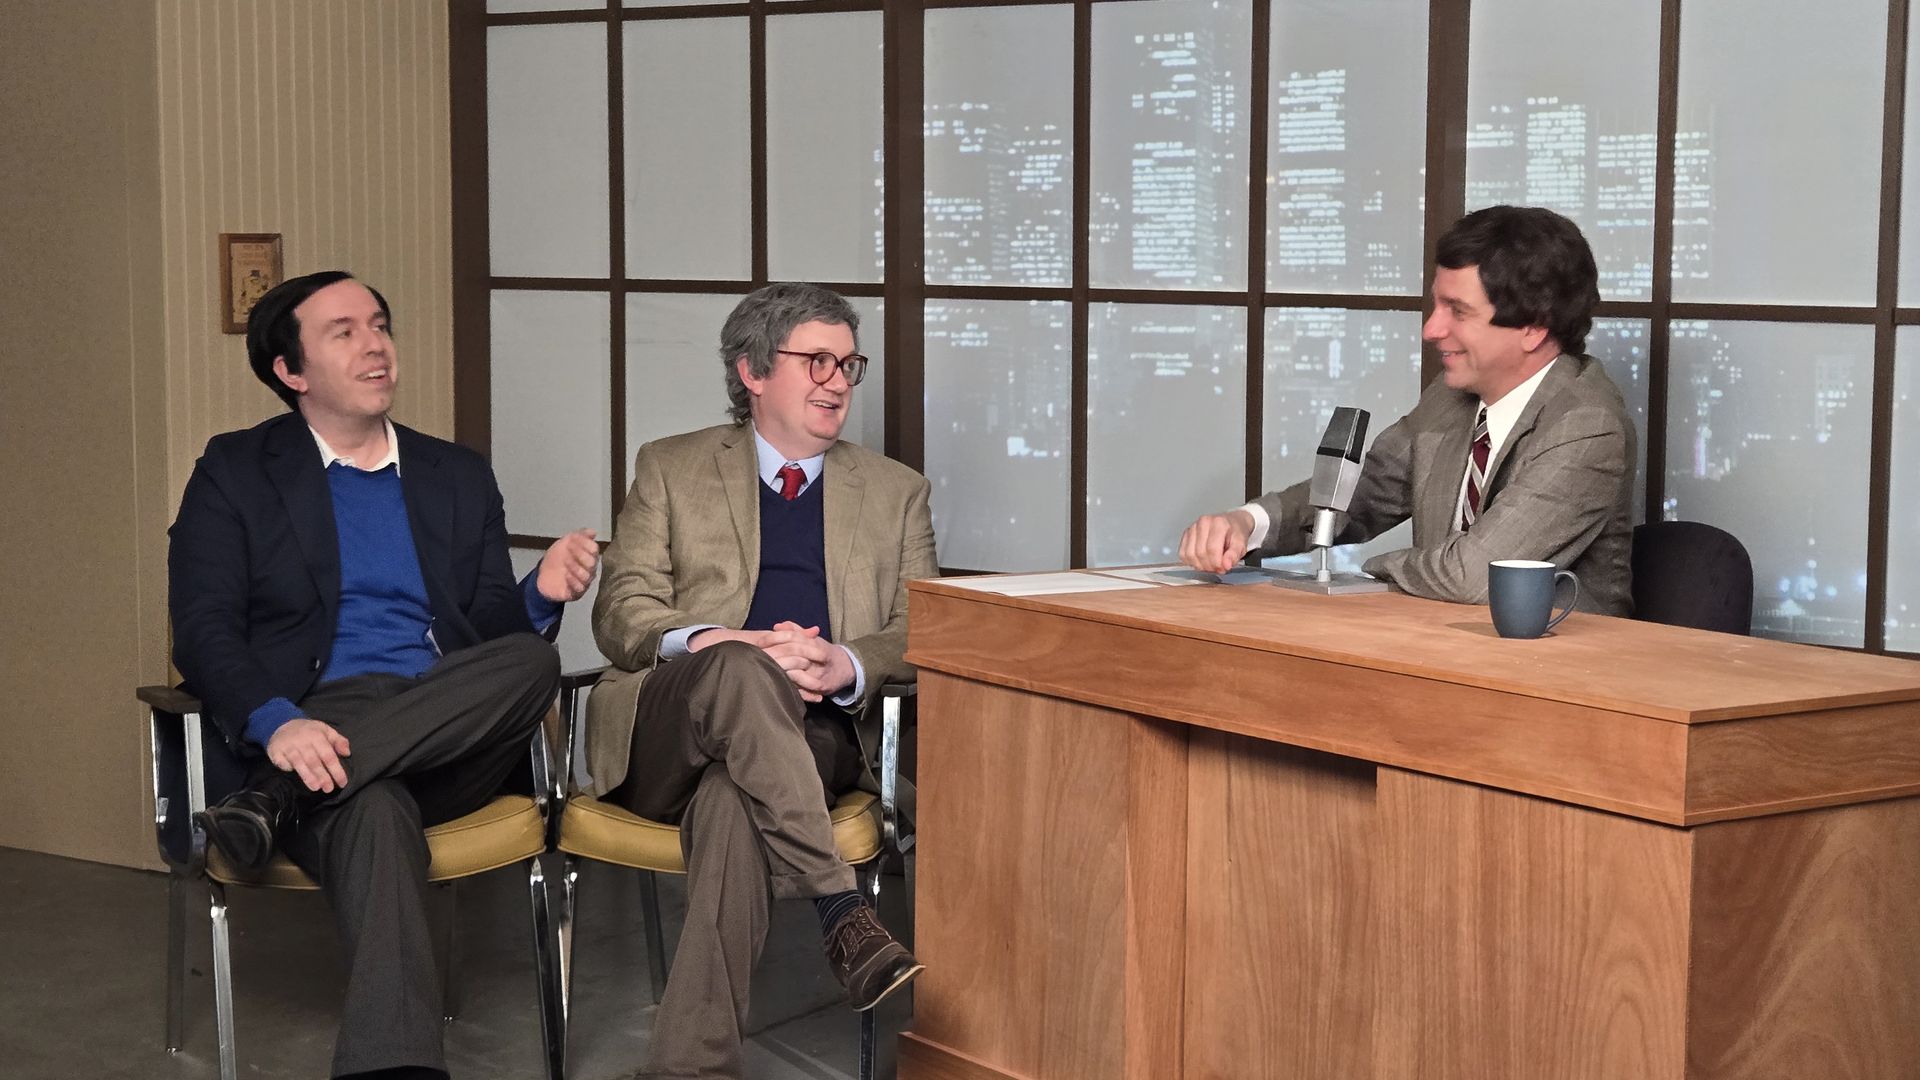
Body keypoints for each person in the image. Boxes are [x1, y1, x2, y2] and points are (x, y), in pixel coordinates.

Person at [168, 270, 600, 1080]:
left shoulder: (455, 474)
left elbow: (490, 643)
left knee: (531, 657)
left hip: (445, 734)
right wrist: (275, 723)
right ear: (291, 373)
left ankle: (274, 799)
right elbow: (203, 629)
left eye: (380, 324)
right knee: (372, 806)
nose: (376, 344)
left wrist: (539, 591)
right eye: (345, 332)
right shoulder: (235, 471)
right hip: (311, 732)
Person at [584, 282, 937, 1079]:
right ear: (751, 370)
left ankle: (689, 1067)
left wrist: (843, 662)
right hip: (671, 728)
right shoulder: (670, 467)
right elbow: (621, 611)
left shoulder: (894, 491)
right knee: (741, 668)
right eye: (817, 360)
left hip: (811, 734)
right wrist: (721, 640)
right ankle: (839, 903)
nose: (838, 380)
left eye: (849, 363)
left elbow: (920, 633)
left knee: (733, 806)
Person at [1179, 205, 1635, 613]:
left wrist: (1364, 571)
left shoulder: (1587, 425)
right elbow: (1359, 496)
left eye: (1457, 311)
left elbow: (1474, 576)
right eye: (1436, 305)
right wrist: (1245, 523)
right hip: (1439, 644)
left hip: (1557, 679)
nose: (1431, 329)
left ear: (1533, 328)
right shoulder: (1451, 396)